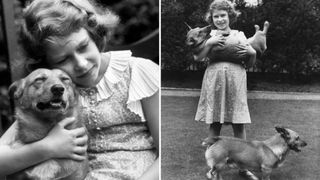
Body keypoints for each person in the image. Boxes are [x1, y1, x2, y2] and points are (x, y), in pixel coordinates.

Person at [1, 0, 159, 179]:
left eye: (83, 46)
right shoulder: (57, 94)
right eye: (62, 60)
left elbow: (167, 154)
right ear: (47, 64)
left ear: (94, 34)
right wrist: (46, 148)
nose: (81, 64)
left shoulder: (137, 72)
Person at [193, 0, 257, 179]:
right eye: (216, 16)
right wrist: (210, 43)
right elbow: (198, 57)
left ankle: (243, 167)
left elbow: (249, 64)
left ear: (230, 16)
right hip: (215, 79)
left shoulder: (240, 35)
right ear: (211, 19)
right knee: (215, 122)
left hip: (236, 79)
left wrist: (252, 54)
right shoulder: (207, 35)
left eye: (223, 15)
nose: (220, 19)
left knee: (239, 122)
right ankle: (212, 166)